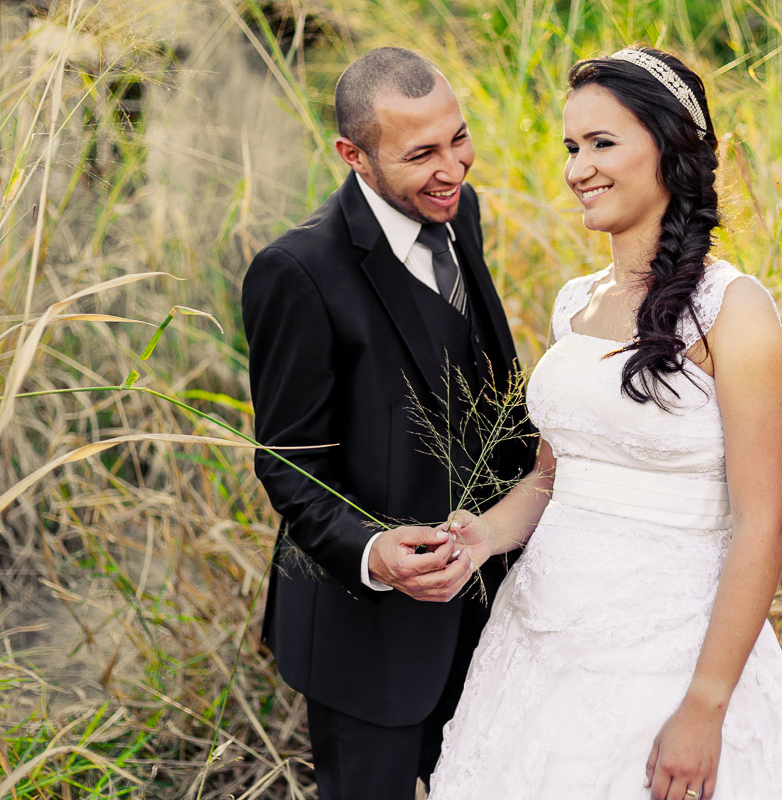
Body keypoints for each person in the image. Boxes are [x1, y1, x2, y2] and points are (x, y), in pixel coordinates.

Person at [428, 47, 782, 800]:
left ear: (669, 145)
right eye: (570, 147)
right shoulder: (574, 303)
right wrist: (482, 535)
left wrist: (704, 705)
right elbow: (552, 478)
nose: (578, 168)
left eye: (602, 143)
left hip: (671, 654)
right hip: (540, 643)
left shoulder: (735, 310)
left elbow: (766, 521)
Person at [240, 47, 534, 800]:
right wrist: (374, 552)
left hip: (487, 603)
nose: (453, 168)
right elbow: (287, 462)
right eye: (421, 153)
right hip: (366, 637)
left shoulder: (457, 210)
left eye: (458, 138)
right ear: (354, 156)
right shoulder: (296, 271)